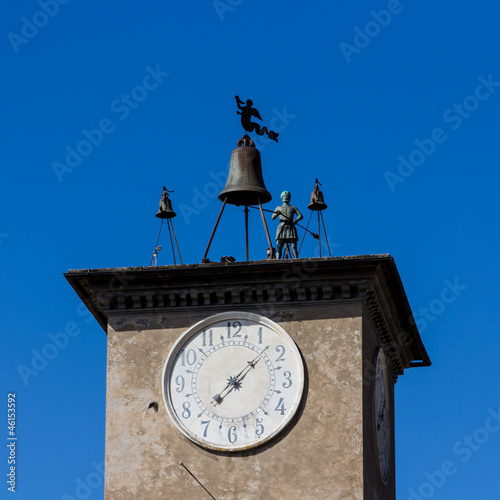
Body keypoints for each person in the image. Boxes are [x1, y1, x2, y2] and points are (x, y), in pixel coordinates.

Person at [272, 191, 303, 259]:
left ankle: (296, 259)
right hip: (281, 227)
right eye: (284, 196)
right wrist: (277, 213)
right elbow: (273, 217)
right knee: (279, 246)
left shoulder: (293, 207)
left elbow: (300, 216)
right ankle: (277, 261)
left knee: (293, 246)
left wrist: (295, 220)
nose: (286, 197)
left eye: (287, 196)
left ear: (289, 198)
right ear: (282, 198)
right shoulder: (278, 207)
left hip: (290, 227)